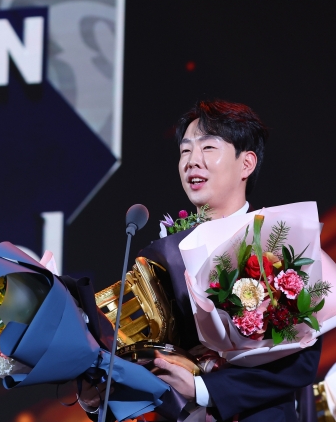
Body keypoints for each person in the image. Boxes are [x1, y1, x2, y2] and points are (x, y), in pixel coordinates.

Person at [79, 100, 321, 421]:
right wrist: (97, 398)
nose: (193, 162)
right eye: (185, 151)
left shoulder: (277, 245)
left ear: (246, 164)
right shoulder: (164, 256)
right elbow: (141, 358)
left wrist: (204, 388)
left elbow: (299, 362)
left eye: (208, 148)